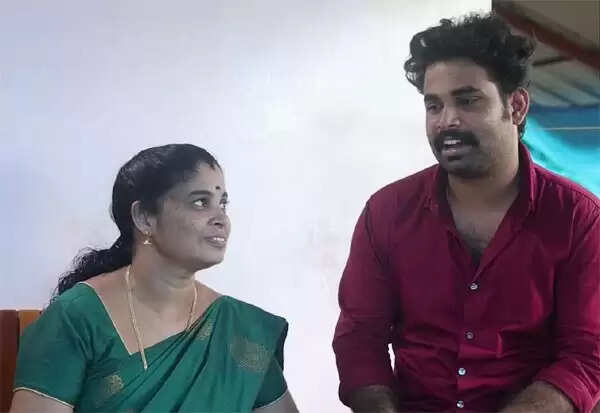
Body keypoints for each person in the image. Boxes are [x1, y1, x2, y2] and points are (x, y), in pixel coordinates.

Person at [333, 13, 600, 413]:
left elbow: (587, 355)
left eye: (467, 100)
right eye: (434, 105)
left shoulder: (578, 218)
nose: (447, 121)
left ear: (516, 105)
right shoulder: (386, 213)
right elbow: (360, 339)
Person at [10, 144, 298, 412]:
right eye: (200, 202)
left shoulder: (241, 330)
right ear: (144, 218)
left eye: (222, 204)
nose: (221, 219)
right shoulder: (75, 318)